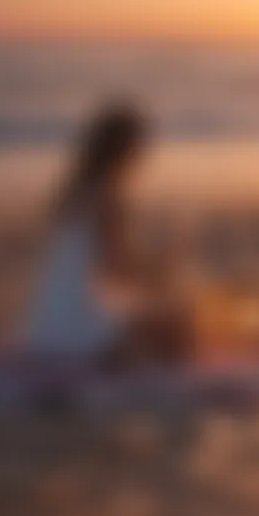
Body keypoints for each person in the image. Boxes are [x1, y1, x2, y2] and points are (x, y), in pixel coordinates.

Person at [23, 104, 185, 371]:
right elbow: (119, 271)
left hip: (42, 326)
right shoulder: (109, 199)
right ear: (127, 151)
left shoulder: (70, 193)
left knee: (150, 316)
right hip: (79, 330)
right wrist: (161, 269)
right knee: (175, 324)